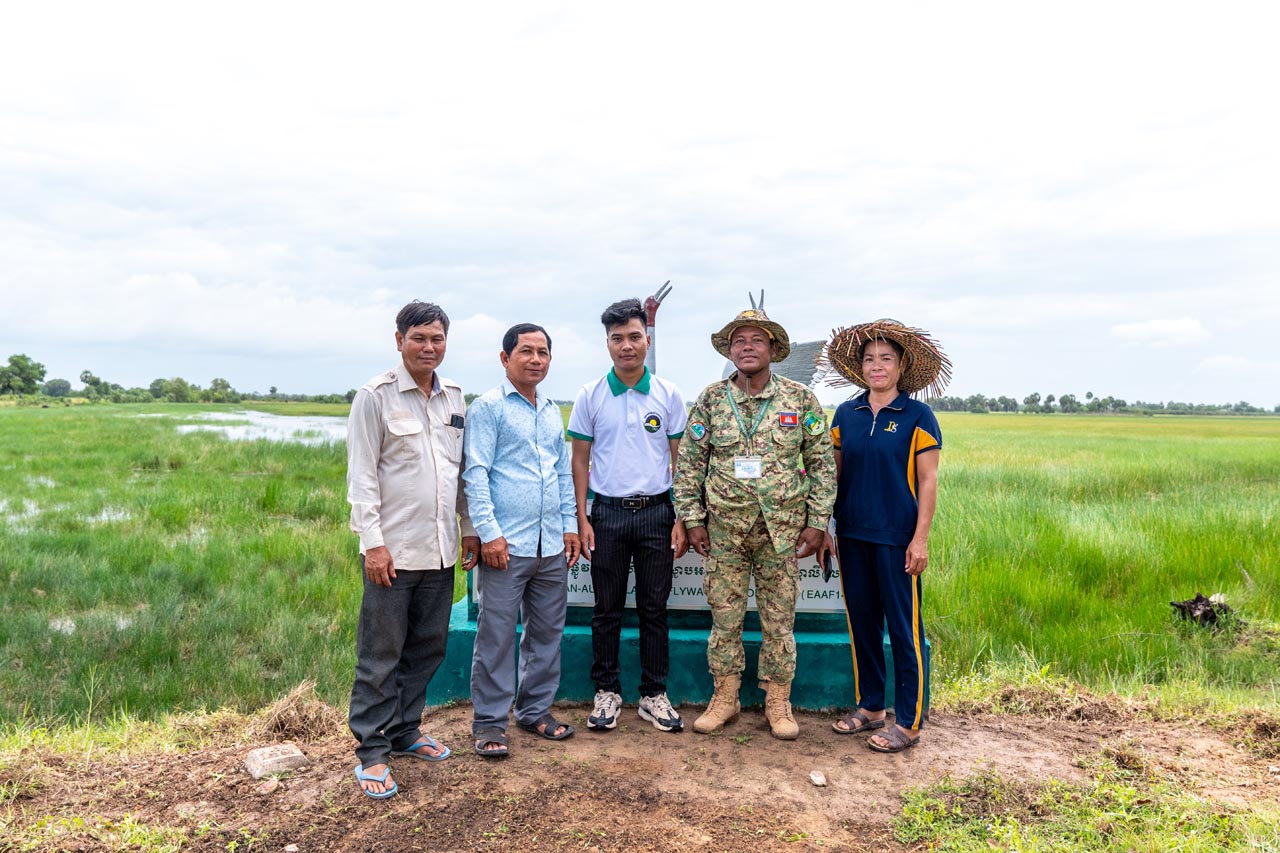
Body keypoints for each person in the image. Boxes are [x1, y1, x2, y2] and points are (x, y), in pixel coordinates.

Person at [674, 306, 836, 740]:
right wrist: (692, 518)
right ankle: (725, 697)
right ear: (730, 351)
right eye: (739, 341)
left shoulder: (799, 399)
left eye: (757, 340)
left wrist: (817, 521)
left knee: (779, 622)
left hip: (781, 533)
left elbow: (822, 464)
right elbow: (690, 464)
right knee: (724, 620)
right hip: (723, 531)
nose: (747, 347)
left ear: (773, 349)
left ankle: (778, 701)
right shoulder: (711, 399)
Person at [346, 300, 480, 799]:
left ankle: (405, 730)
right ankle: (372, 751)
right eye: (419, 338)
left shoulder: (454, 398)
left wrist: (468, 529)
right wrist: (373, 545)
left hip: (440, 551)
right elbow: (362, 477)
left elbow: (459, 474)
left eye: (437, 338)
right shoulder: (375, 397)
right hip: (393, 554)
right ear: (399, 340)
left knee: (427, 647)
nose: (429, 347)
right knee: (381, 654)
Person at [822, 319, 949, 753]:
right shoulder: (846, 414)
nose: (877, 366)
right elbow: (832, 476)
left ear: (901, 366)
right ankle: (871, 706)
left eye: (886, 359)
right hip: (852, 534)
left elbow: (928, 481)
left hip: (897, 538)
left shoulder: (918, 416)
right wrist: (825, 527)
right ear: (859, 367)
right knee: (862, 624)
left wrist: (920, 539)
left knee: (904, 629)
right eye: (869, 359)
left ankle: (908, 721)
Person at [568, 298, 689, 733]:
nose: (626, 346)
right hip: (608, 515)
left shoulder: (668, 394)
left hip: (657, 514)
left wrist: (681, 517)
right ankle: (607, 691)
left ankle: (654, 694)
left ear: (647, 341)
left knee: (655, 608)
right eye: (617, 338)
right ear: (607, 343)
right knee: (607, 609)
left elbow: (681, 461)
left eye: (634, 337)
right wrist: (582, 518)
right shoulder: (590, 395)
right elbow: (579, 461)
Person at [463, 323, 582, 757]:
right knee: (496, 636)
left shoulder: (550, 409)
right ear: (505, 358)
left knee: (546, 633)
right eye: (526, 351)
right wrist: (489, 534)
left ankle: (534, 711)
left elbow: (561, 472)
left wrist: (569, 524)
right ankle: (489, 723)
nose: (536, 359)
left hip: (550, 544)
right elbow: (475, 473)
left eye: (543, 352)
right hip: (506, 547)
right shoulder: (488, 407)